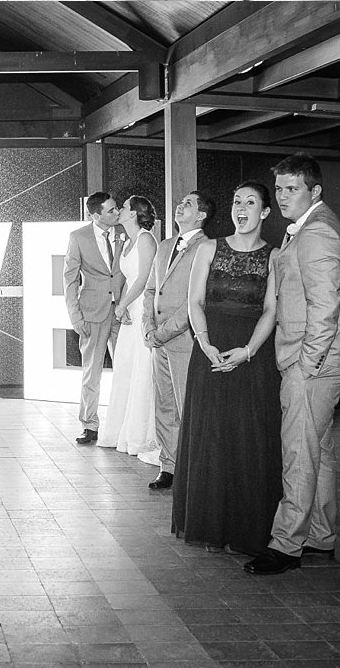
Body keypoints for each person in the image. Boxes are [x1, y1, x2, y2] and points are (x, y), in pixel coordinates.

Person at [245, 155, 340, 576]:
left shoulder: (318, 233)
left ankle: (286, 545)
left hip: (312, 367)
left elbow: (325, 309)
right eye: (281, 188)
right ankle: (320, 538)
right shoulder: (309, 228)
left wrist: (305, 366)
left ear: (315, 191)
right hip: (317, 364)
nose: (284, 196)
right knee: (320, 453)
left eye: (293, 189)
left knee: (298, 454)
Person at [175, 182, 280, 556]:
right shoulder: (207, 248)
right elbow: (195, 300)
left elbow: (271, 310)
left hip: (252, 352)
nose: (242, 208)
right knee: (211, 435)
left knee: (248, 437)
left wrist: (249, 350)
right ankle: (207, 523)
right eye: (237, 201)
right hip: (210, 347)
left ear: (265, 213)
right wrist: (204, 343)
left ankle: (246, 527)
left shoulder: (274, 256)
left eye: (251, 203)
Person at [142, 191, 213, 491]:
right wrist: (148, 328)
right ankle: (168, 466)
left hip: (184, 340)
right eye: (180, 203)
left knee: (187, 407)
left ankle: (192, 469)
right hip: (158, 341)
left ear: (201, 215)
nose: (180, 206)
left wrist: (163, 332)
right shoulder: (165, 245)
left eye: (188, 204)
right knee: (164, 406)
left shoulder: (206, 248)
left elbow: (194, 302)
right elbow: (149, 290)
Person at [98, 196, 159, 465]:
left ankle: (138, 436)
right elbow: (125, 277)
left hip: (141, 309)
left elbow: (145, 278)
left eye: (123, 207)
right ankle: (118, 433)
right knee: (124, 369)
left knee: (141, 373)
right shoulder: (126, 241)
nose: (119, 211)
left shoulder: (146, 239)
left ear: (133, 213)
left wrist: (123, 305)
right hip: (128, 313)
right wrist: (121, 308)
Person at [63, 192, 125, 443]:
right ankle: (89, 425)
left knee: (126, 368)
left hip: (123, 311)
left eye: (116, 208)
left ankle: (122, 425)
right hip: (91, 313)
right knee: (92, 372)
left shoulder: (125, 232)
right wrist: (75, 317)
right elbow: (69, 279)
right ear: (95, 215)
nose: (117, 212)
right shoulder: (78, 237)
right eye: (111, 210)